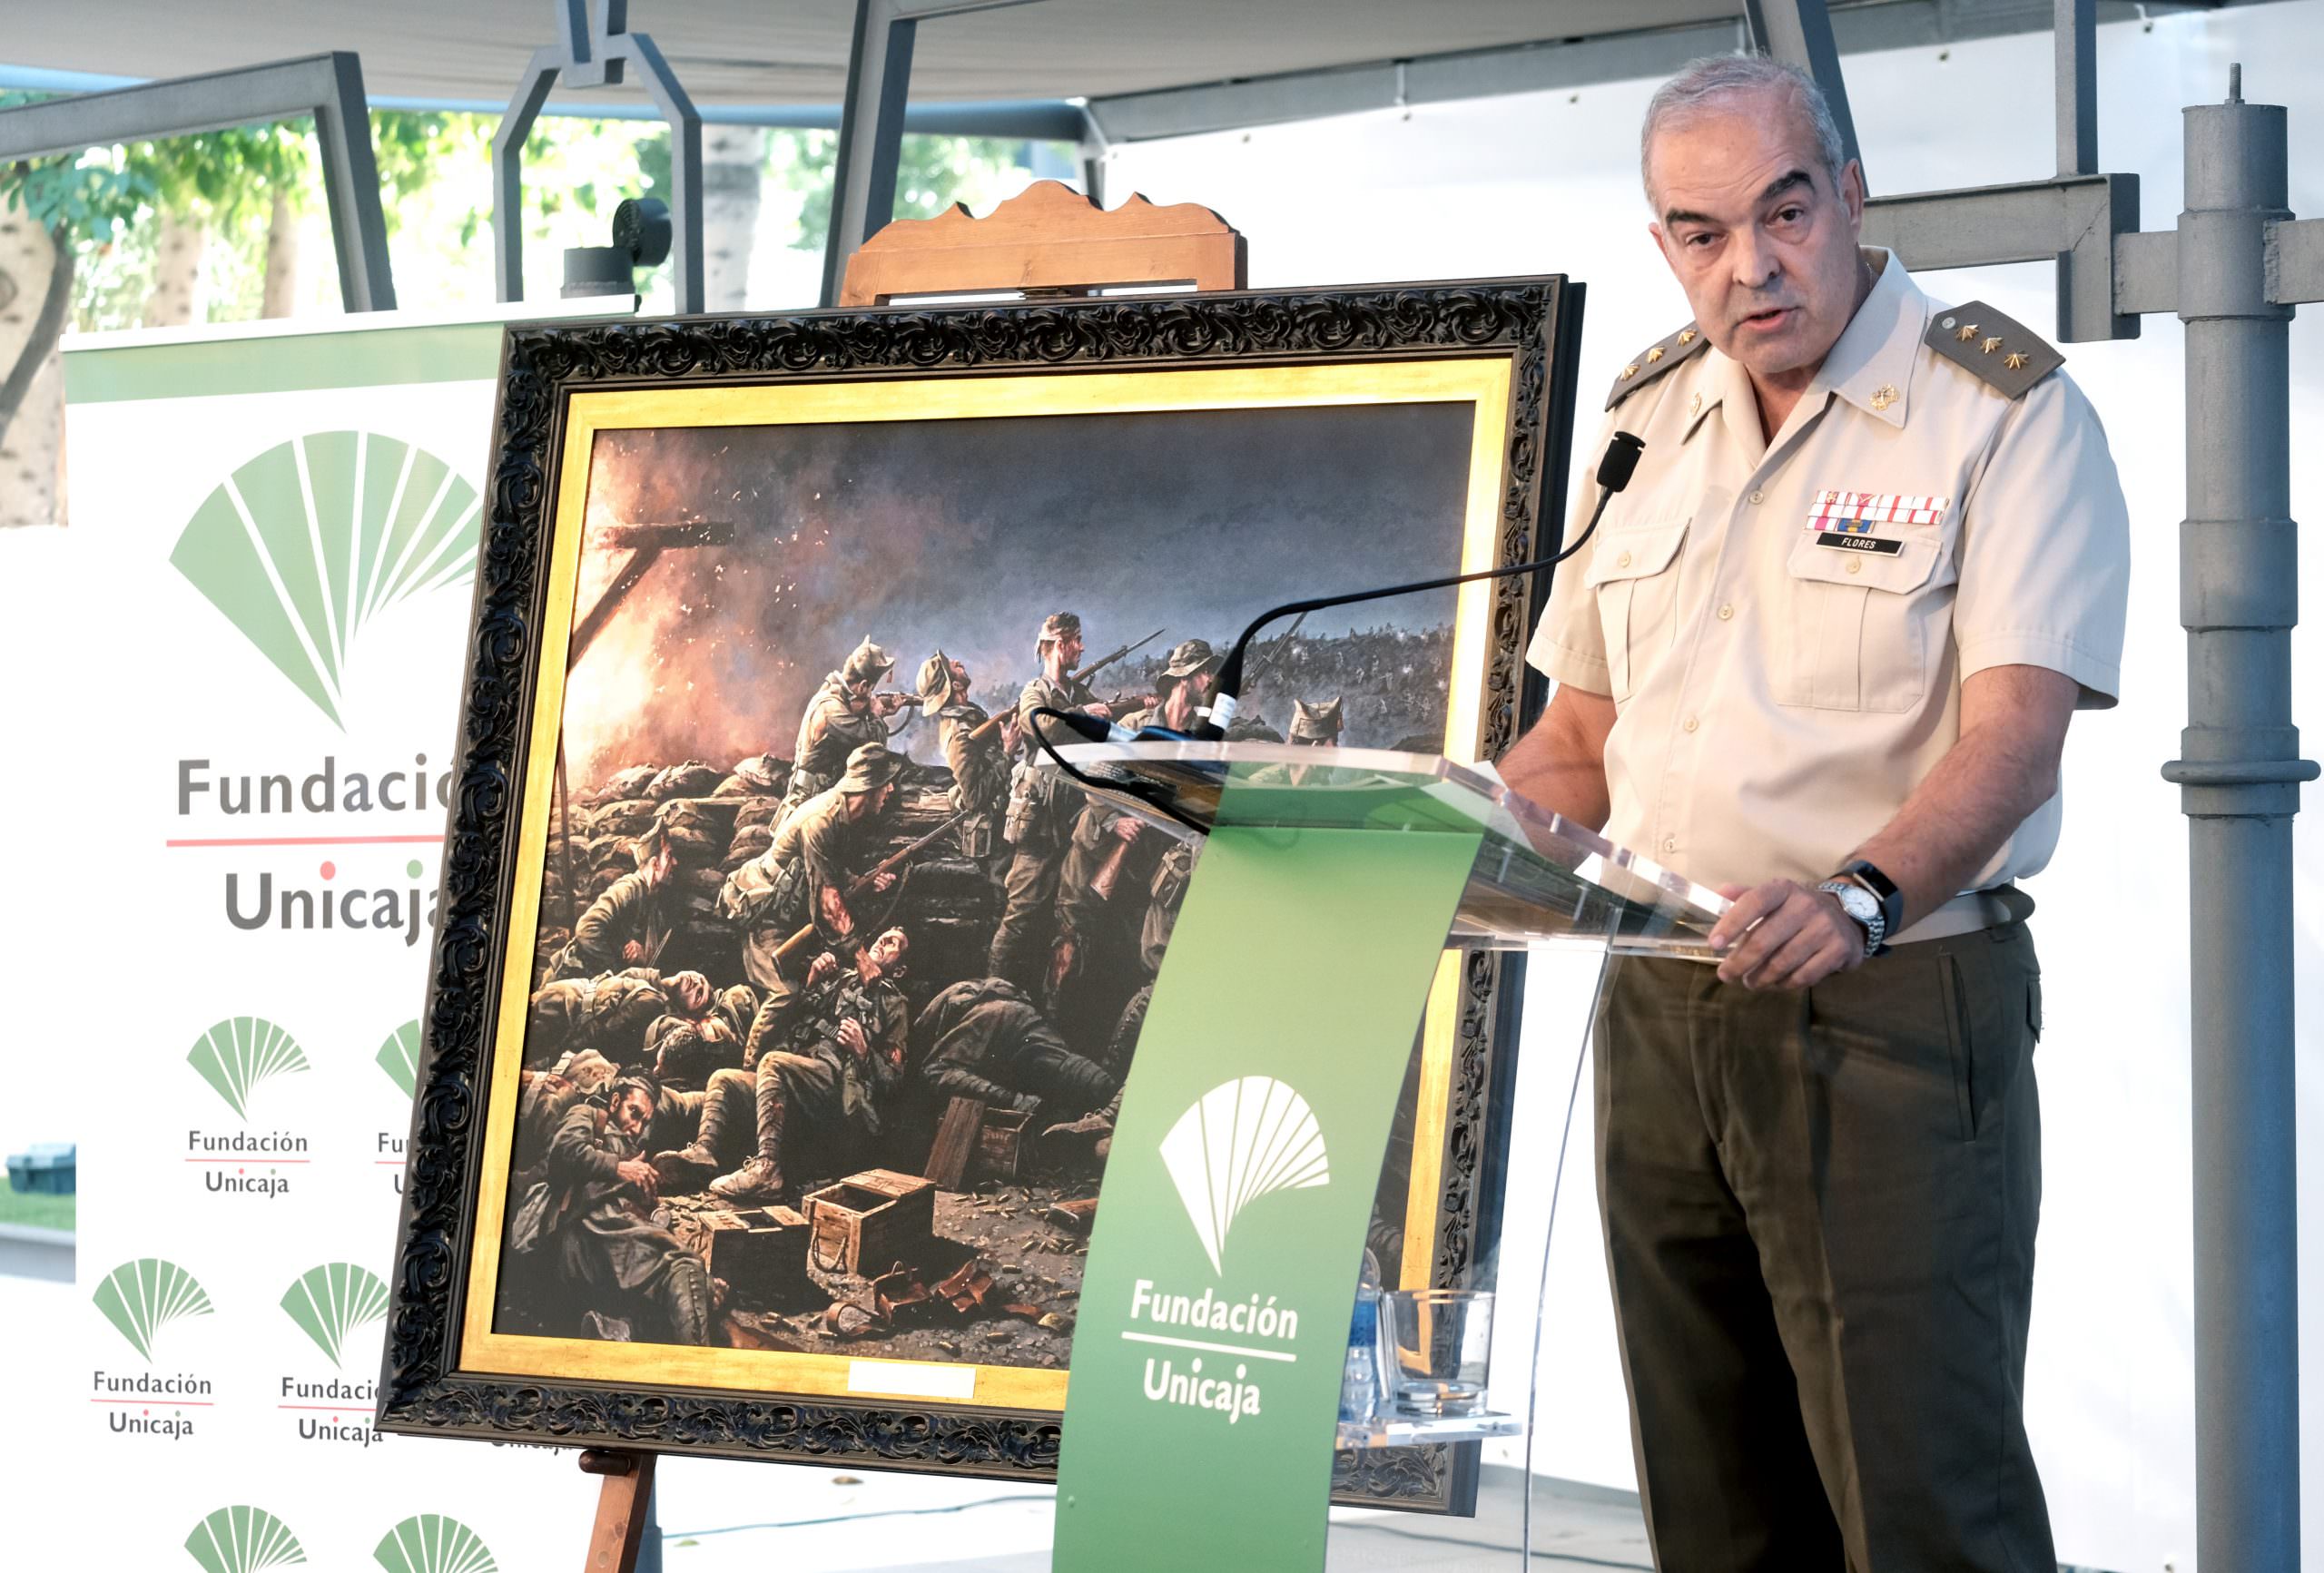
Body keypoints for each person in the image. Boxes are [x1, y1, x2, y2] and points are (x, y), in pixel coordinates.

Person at [1497, 57, 2129, 1571]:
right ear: (1663, 244)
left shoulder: (2000, 411)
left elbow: (2016, 740)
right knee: (1712, 1500)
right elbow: (1578, 738)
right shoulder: (1646, 419)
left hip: (1890, 1004)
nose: (1751, 265)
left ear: (1850, 194)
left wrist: (1858, 896)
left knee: (1924, 1505)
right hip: (1664, 1002)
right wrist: (1420, 841)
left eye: (1784, 213)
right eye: (1702, 232)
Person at [692, 928, 914, 1204]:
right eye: (883, 936)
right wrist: (812, 982)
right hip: (796, 1075)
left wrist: (864, 1051)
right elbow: (797, 1023)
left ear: (900, 970)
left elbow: (894, 1080)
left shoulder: (895, 1005)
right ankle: (702, 1154)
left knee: (773, 1063)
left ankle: (767, 1169)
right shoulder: (840, 979)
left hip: (837, 1087)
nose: (883, 940)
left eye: (894, 943)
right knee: (724, 1078)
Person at [715, 742, 901, 1046]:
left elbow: (827, 869)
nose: (890, 789)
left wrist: (864, 882)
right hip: (764, 912)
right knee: (785, 993)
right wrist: (861, 957)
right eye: (885, 782)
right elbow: (828, 900)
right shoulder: (821, 820)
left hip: (789, 911)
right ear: (868, 786)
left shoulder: (841, 817)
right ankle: (751, 1064)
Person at [508, 1077, 712, 1345]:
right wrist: (620, 1168)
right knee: (685, 1266)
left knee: (694, 1286)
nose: (637, 1128)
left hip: (610, 1237)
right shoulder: (587, 1114)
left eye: (644, 1122)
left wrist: (644, 1195)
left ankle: (616, 1329)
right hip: (586, 1233)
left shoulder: (630, 1147)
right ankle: (696, 1365)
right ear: (615, 1101)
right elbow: (564, 1150)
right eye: (634, 1112)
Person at [988, 614, 1116, 988]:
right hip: (1040, 829)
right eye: (1077, 640)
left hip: (1073, 826)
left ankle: (1050, 1000)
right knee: (1019, 917)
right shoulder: (1035, 693)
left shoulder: (1077, 694)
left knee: (1068, 923)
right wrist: (1084, 714)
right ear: (1060, 645)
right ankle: (991, 994)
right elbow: (1042, 726)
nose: (1082, 647)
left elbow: (1106, 727)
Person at [913, 975, 1118, 1123]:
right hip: (1007, 1013)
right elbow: (937, 1071)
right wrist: (1013, 1101)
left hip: (1006, 1015)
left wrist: (1013, 1101)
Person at [775, 638, 909, 829]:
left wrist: (879, 713)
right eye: (870, 690)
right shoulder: (831, 709)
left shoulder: (835, 695)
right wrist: (876, 715)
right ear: (862, 686)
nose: (871, 695)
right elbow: (873, 746)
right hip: (810, 799)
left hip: (820, 794)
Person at [917, 648, 1019, 875]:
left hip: (1005, 819)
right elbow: (974, 797)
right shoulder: (958, 735)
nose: (957, 661)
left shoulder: (970, 714)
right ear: (955, 685)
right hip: (994, 835)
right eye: (952, 665)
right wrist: (1007, 752)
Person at [540, 821, 682, 982]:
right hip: (570, 979)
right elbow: (587, 928)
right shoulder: (628, 889)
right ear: (655, 864)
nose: (675, 862)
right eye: (669, 856)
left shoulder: (652, 900)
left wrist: (639, 959)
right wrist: (616, 970)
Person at [524, 966, 712, 1069]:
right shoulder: (650, 978)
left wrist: (560, 1052)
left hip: (563, 1013)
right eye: (701, 979)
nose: (696, 982)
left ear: (686, 1014)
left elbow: (603, 1032)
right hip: (565, 996)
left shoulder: (653, 1005)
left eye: (699, 994)